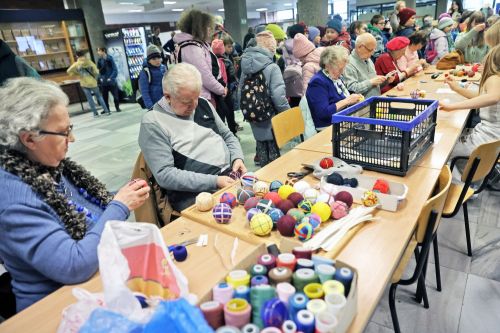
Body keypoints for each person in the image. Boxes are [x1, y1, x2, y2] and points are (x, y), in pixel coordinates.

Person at [0, 77, 150, 312]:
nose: (72, 139)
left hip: (95, 286)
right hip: (53, 309)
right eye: (63, 132)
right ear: (29, 138)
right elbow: (74, 264)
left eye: (70, 128)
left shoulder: (47, 166)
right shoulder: (15, 201)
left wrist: (118, 196)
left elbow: (80, 208)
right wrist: (119, 205)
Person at [139, 63, 246, 211]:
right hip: (196, 195)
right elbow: (165, 174)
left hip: (228, 178)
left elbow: (228, 135)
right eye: (187, 102)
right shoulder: (153, 122)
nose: (195, 105)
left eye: (196, 97)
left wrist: (237, 158)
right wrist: (214, 181)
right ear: (168, 97)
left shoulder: (202, 103)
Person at [439, 45, 500, 181]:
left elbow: (493, 97)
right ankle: (466, 182)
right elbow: (480, 96)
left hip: (485, 139)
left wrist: (452, 107)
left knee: (443, 150)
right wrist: (456, 88)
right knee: (453, 137)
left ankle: (458, 189)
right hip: (492, 139)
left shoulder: (495, 78)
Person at [239, 31, 290, 166]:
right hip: (271, 115)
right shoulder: (272, 67)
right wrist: (287, 113)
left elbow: (240, 92)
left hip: (252, 111)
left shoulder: (245, 67)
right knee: (274, 152)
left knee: (261, 145)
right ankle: (275, 181)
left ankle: (263, 180)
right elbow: (278, 96)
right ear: (271, 48)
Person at [174, 9, 226, 104]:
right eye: (208, 27)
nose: (211, 30)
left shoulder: (199, 44)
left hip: (205, 95)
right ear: (199, 28)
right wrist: (221, 89)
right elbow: (204, 75)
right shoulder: (192, 48)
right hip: (201, 98)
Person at [306, 46, 362, 130]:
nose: (342, 72)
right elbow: (323, 113)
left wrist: (354, 98)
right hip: (327, 128)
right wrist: (347, 101)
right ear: (327, 65)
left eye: (343, 68)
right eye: (339, 69)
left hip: (341, 124)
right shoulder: (318, 82)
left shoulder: (335, 78)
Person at [344, 33, 388, 98]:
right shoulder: (349, 63)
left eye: (374, 50)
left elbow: (373, 87)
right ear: (360, 47)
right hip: (363, 105)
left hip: (376, 100)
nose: (372, 53)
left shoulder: (368, 59)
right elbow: (352, 89)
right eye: (370, 50)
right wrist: (371, 82)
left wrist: (385, 81)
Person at [67, 50, 110, 117]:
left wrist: (78, 73)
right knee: (99, 96)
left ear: (77, 56)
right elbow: (97, 72)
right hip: (93, 82)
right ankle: (107, 111)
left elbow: (68, 71)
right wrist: (95, 78)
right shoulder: (89, 62)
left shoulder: (76, 64)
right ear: (84, 55)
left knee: (89, 99)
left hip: (84, 83)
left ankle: (95, 114)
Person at [211, 38, 238, 135]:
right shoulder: (226, 61)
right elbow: (231, 77)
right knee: (230, 112)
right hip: (227, 90)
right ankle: (233, 132)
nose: (230, 49)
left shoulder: (210, 61)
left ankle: (223, 135)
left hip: (216, 92)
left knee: (220, 114)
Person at [138, 45, 167, 110]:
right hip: (155, 104)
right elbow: (144, 92)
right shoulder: (145, 72)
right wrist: (150, 107)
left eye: (159, 58)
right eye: (153, 59)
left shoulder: (163, 68)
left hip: (167, 102)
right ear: (149, 60)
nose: (157, 61)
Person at [96, 47, 121, 113]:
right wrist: (100, 78)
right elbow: (99, 70)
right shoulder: (99, 60)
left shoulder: (110, 58)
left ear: (103, 51)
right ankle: (106, 109)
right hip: (104, 82)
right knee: (104, 97)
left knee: (115, 96)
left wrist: (111, 77)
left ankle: (117, 108)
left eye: (99, 51)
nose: (98, 52)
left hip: (111, 81)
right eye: (97, 51)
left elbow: (115, 69)